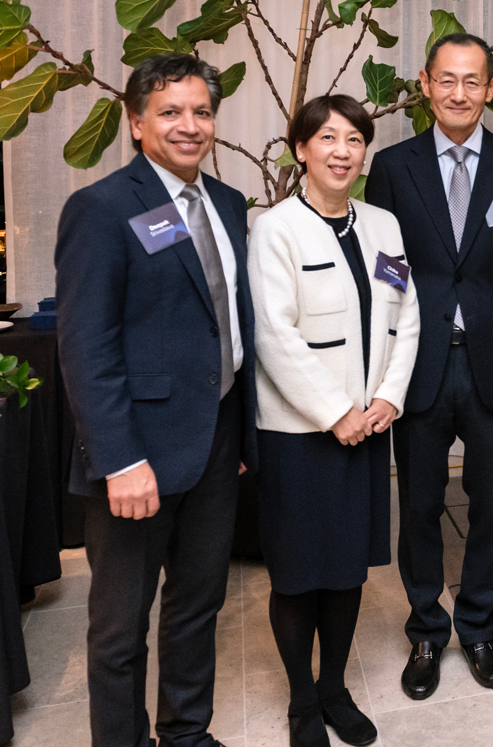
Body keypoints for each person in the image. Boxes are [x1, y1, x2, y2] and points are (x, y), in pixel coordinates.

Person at [55, 53, 256, 747]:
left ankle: (186, 734)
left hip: (214, 444)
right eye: (170, 111)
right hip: (135, 458)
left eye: (201, 111)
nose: (189, 125)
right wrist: (119, 459)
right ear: (136, 122)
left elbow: (227, 325)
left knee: (199, 605)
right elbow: (86, 347)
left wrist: (232, 439)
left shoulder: (228, 204)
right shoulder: (102, 208)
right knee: (118, 627)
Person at [364, 32, 493, 697]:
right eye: (447, 79)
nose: (459, 93)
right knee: (417, 502)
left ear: (491, 89)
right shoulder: (391, 165)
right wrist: (380, 367)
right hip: (417, 362)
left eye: (473, 81)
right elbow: (382, 270)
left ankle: (476, 623)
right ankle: (425, 628)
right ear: (424, 83)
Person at [247, 94, 421, 747]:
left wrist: (389, 399)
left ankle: (334, 688)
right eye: (326, 138)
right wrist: (334, 411)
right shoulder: (275, 228)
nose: (341, 150)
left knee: (348, 569)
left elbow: (406, 317)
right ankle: (300, 701)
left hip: (369, 429)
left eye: (353, 139)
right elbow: (273, 334)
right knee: (298, 572)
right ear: (301, 150)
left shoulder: (383, 227)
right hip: (298, 436)